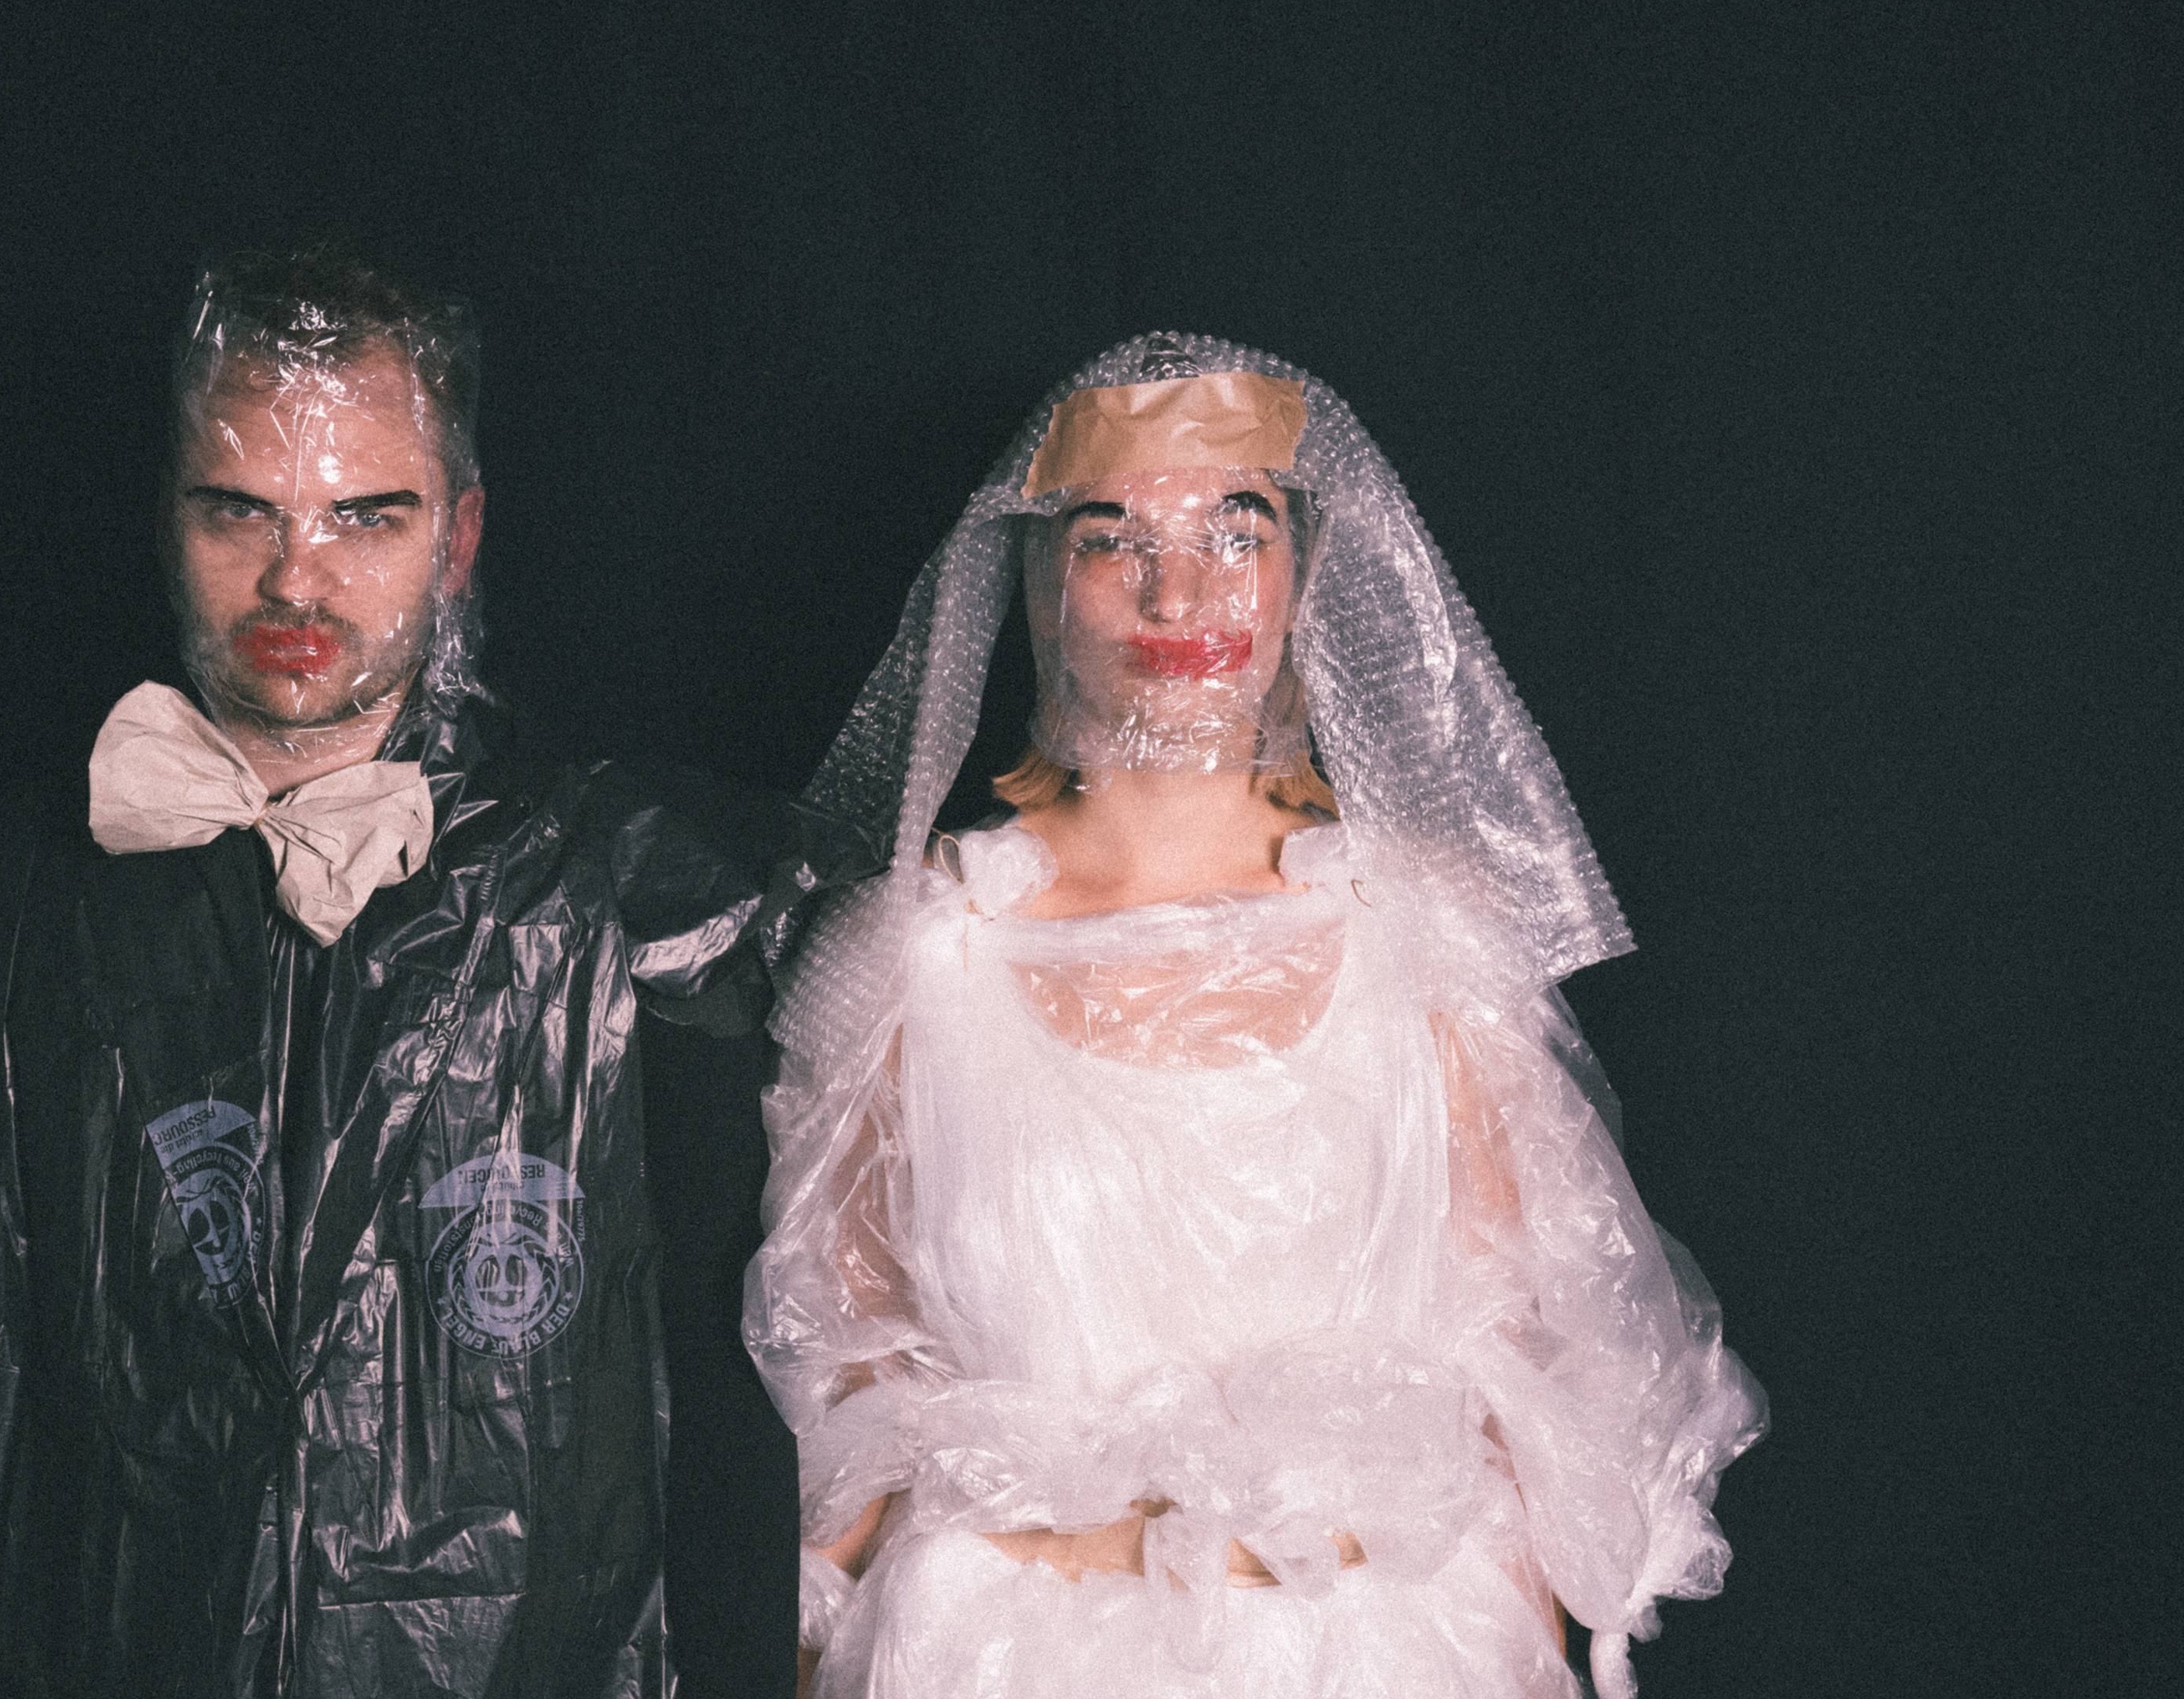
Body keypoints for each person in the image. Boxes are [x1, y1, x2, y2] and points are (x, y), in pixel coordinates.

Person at [0, 248, 871, 1697]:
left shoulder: (639, 901)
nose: (297, 578)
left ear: (460, 534)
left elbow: (756, 1383)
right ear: (167, 519)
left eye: (367, 516)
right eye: (241, 511)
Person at [746, 335, 1764, 1699]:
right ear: (1043, 579)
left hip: (1386, 1660)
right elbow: (841, 1386)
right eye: (1114, 538)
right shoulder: (914, 955)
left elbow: (1519, 1358)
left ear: (1305, 569)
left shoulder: (1424, 936)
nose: (1181, 591)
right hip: (996, 1661)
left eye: (1237, 531)